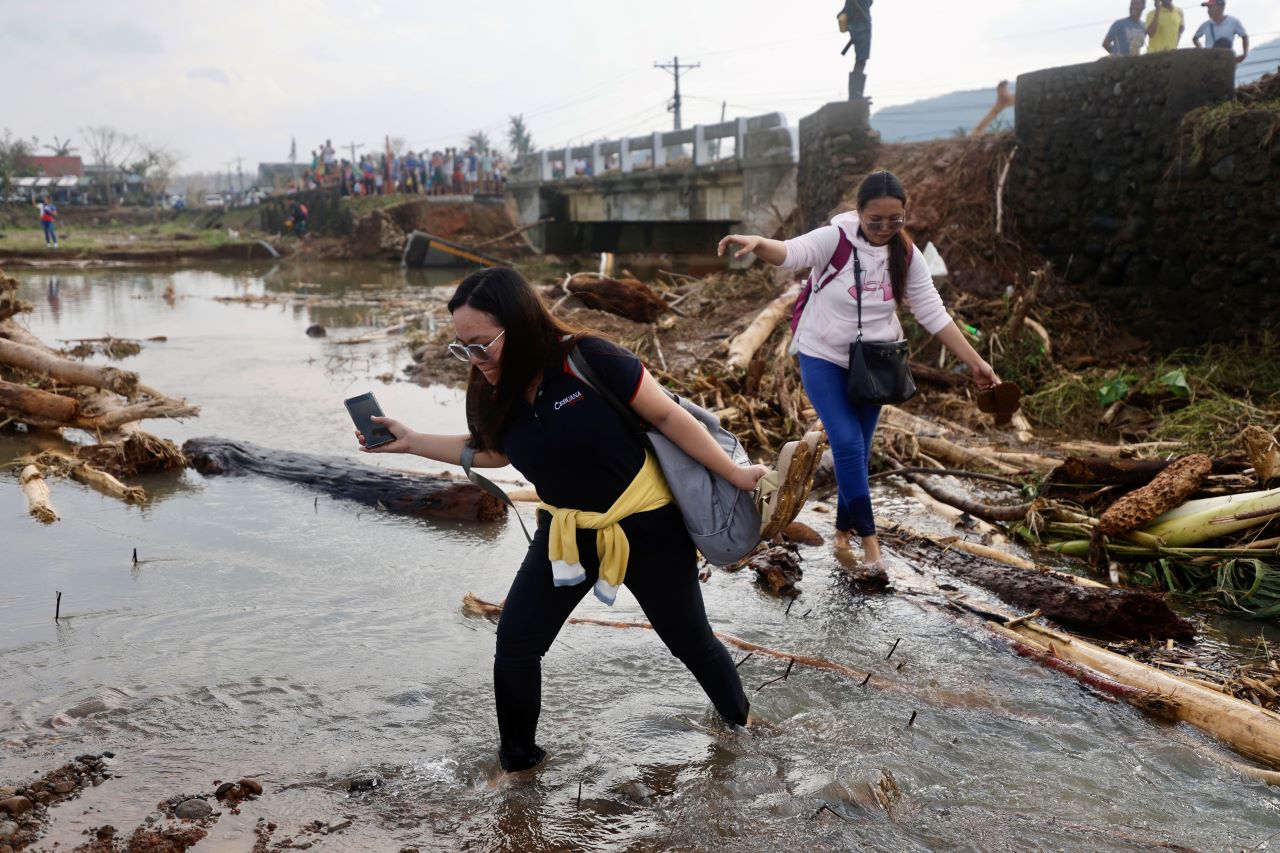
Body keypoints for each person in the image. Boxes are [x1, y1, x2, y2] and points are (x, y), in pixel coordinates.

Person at [356, 266, 767, 772]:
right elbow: (492, 453)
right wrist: (412, 440)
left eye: (482, 344)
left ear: (522, 322)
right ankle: (519, 770)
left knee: (692, 643)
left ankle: (743, 732)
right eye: (464, 347)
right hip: (565, 533)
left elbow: (666, 416)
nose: (475, 359)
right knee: (515, 645)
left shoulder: (590, 358)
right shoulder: (489, 386)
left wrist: (736, 472)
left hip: (647, 526)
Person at [717, 170, 1000, 564]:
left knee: (859, 455)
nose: (885, 228)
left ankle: (840, 535)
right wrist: (758, 242)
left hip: (875, 364)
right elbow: (790, 252)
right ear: (859, 212)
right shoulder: (834, 240)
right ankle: (871, 544)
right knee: (848, 443)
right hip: (823, 356)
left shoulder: (906, 254)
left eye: (895, 219)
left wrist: (977, 363)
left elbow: (933, 312)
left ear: (904, 214)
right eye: (875, 220)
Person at [840, 0, 873, 99]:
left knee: (861, 60)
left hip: (860, 27)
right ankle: (855, 94)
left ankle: (856, 94)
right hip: (861, 27)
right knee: (861, 60)